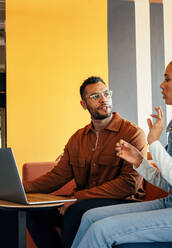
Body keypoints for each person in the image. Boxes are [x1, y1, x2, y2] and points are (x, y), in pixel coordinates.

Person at [71, 56, 172, 247]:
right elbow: (170, 185)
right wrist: (139, 161)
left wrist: (154, 144)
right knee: (91, 216)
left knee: (102, 230)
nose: (161, 85)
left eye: (167, 79)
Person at [23, 76, 147, 248]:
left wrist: (78, 198)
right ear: (84, 104)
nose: (103, 99)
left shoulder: (133, 133)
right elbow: (58, 175)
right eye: (95, 96)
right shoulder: (77, 138)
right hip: (83, 202)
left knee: (75, 212)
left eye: (106, 93)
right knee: (32, 213)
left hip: (123, 202)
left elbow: (129, 184)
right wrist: (22, 189)